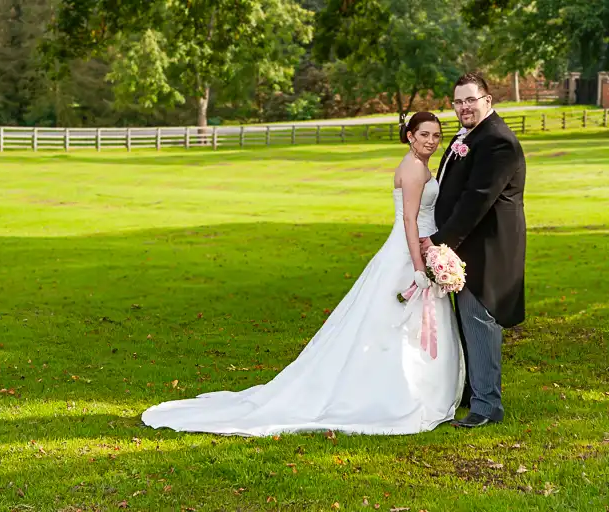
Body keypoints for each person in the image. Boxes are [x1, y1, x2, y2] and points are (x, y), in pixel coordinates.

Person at [141, 112, 465, 436]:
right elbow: (409, 220)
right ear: (410, 136)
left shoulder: (421, 166)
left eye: (436, 135)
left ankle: (419, 386)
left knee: (400, 323)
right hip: (407, 253)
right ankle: (391, 392)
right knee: (391, 322)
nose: (431, 141)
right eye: (424, 134)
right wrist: (420, 267)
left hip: (421, 247)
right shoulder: (411, 169)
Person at [421, 73, 527, 428]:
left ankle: (487, 405)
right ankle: (471, 391)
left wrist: (439, 241)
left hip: (487, 249)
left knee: (479, 320)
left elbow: (477, 201)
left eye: (471, 100)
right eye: (458, 102)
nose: (464, 107)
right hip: (464, 247)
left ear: (488, 100)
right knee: (465, 321)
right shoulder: (467, 136)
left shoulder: (497, 142)